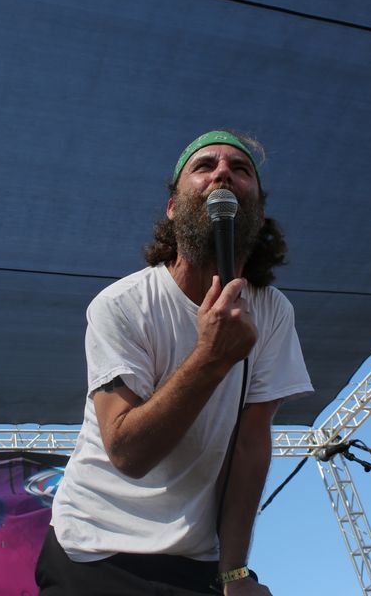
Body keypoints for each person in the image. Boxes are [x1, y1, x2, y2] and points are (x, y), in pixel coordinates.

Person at [36, 130, 313, 595]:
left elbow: (249, 448)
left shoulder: (272, 312)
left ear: (259, 212)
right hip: (95, 550)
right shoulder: (122, 304)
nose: (223, 173)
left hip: (196, 559)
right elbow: (128, 453)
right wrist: (211, 356)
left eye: (240, 170)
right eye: (204, 166)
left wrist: (234, 572)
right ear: (172, 207)